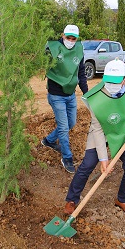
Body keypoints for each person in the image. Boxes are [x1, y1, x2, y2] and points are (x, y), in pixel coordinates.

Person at [64, 59, 125, 215]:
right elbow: (98, 131)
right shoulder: (96, 100)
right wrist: (104, 159)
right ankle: (72, 199)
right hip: (102, 132)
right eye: (109, 81)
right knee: (88, 164)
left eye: (116, 82)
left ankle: (123, 199)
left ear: (124, 79)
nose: (111, 85)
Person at [41, 25, 88, 173]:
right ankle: (67, 157)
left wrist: (86, 93)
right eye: (68, 37)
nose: (71, 41)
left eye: (74, 38)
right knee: (63, 127)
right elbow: (44, 64)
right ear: (62, 35)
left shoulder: (78, 50)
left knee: (71, 123)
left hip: (70, 94)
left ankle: (48, 140)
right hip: (56, 95)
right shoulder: (54, 49)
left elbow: (81, 74)